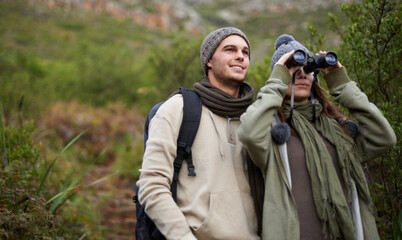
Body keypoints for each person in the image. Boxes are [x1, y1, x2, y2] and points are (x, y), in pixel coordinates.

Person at [238, 34, 396, 240]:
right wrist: (278, 79)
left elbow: (384, 138)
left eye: (308, 69)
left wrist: (342, 83)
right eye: (293, 69)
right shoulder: (272, 131)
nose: (302, 74)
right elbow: (248, 132)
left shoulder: (337, 128)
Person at [137, 27, 261, 240]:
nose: (240, 56)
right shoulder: (178, 109)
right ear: (209, 61)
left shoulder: (256, 118)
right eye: (230, 49)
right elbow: (152, 185)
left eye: (245, 52)